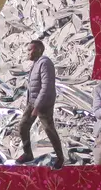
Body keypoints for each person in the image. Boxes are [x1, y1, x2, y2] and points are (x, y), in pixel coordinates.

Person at [16, 40, 65, 169]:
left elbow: (46, 87)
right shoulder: (36, 64)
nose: (27, 52)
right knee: (23, 127)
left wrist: (37, 107)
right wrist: (30, 103)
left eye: (30, 49)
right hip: (33, 102)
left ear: (38, 50)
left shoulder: (45, 63)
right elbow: (33, 86)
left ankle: (60, 158)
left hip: (44, 104)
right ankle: (28, 154)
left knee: (49, 129)